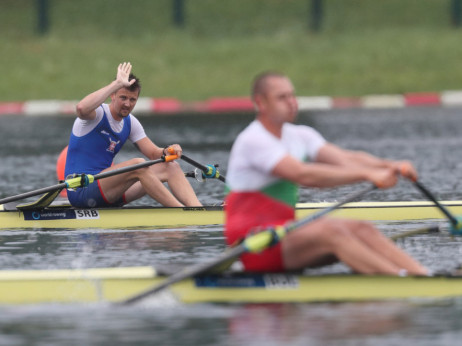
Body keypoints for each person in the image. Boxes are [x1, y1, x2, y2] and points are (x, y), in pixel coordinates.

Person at [224, 72, 428, 276]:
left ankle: (422, 275)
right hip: (253, 242)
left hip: (282, 233)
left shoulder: (301, 135)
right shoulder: (253, 140)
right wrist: (368, 175)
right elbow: (303, 174)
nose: (291, 102)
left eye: (292, 96)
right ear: (261, 102)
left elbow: (346, 158)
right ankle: (399, 280)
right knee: (332, 231)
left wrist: (390, 166)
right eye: (282, 97)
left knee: (361, 228)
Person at [65, 62, 202, 208]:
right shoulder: (97, 114)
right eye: (123, 98)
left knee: (170, 166)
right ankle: (179, 211)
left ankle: (198, 210)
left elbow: (153, 153)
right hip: (82, 191)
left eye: (132, 100)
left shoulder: (131, 123)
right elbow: (81, 108)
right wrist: (116, 83)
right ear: (113, 95)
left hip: (109, 190)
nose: (127, 104)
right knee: (138, 164)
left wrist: (167, 151)